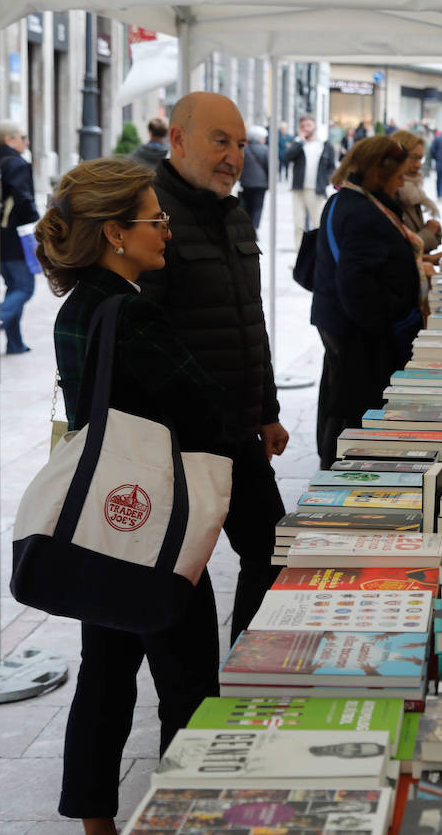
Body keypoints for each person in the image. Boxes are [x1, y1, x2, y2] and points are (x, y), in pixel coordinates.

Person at [35, 158, 223, 835]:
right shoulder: (134, 314)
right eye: (156, 220)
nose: (166, 231)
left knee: (105, 676)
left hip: (103, 525)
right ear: (115, 231)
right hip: (157, 526)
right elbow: (201, 408)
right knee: (190, 682)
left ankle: (94, 820)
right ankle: (188, 813)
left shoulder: (75, 308)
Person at [139, 91, 288, 643]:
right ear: (178, 139)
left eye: (242, 144)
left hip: (237, 433)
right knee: (181, 577)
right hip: (178, 444)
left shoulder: (235, 215)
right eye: (220, 141)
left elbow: (251, 321)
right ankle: (190, 698)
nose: (234, 156)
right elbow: (143, 338)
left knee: (274, 550)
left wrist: (266, 410)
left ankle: (251, 669)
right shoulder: (149, 215)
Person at [311, 136, 420, 468]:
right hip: (361, 331)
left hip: (342, 322)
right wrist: (393, 315)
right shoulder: (361, 212)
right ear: (378, 172)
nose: (403, 183)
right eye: (399, 176)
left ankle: (333, 464)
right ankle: (339, 470)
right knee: (352, 407)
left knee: (340, 397)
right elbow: (356, 283)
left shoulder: (346, 201)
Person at [0, 121, 39, 355]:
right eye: (23, 137)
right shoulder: (16, 164)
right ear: (9, 140)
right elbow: (23, 200)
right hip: (17, 235)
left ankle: (15, 343)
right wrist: (38, 223)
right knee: (25, 287)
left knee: (13, 286)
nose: (27, 142)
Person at [389, 129, 442, 254]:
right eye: (414, 158)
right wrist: (429, 232)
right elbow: (399, 251)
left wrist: (433, 232)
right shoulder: (391, 194)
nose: (418, 165)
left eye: (421, 159)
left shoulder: (414, 192)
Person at [280, 116, 323, 241]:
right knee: (299, 224)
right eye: (302, 126)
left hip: (315, 189)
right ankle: (299, 254)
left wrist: (325, 181)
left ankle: (318, 256)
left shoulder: (322, 145)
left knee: (318, 223)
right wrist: (299, 141)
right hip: (298, 188)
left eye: (308, 125)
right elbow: (287, 157)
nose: (305, 128)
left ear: (314, 126)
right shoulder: (298, 144)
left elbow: (330, 166)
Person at [239, 125, 269, 230]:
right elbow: (269, 166)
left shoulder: (243, 149)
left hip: (246, 183)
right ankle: (254, 228)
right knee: (257, 208)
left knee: (246, 206)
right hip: (261, 184)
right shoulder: (265, 149)